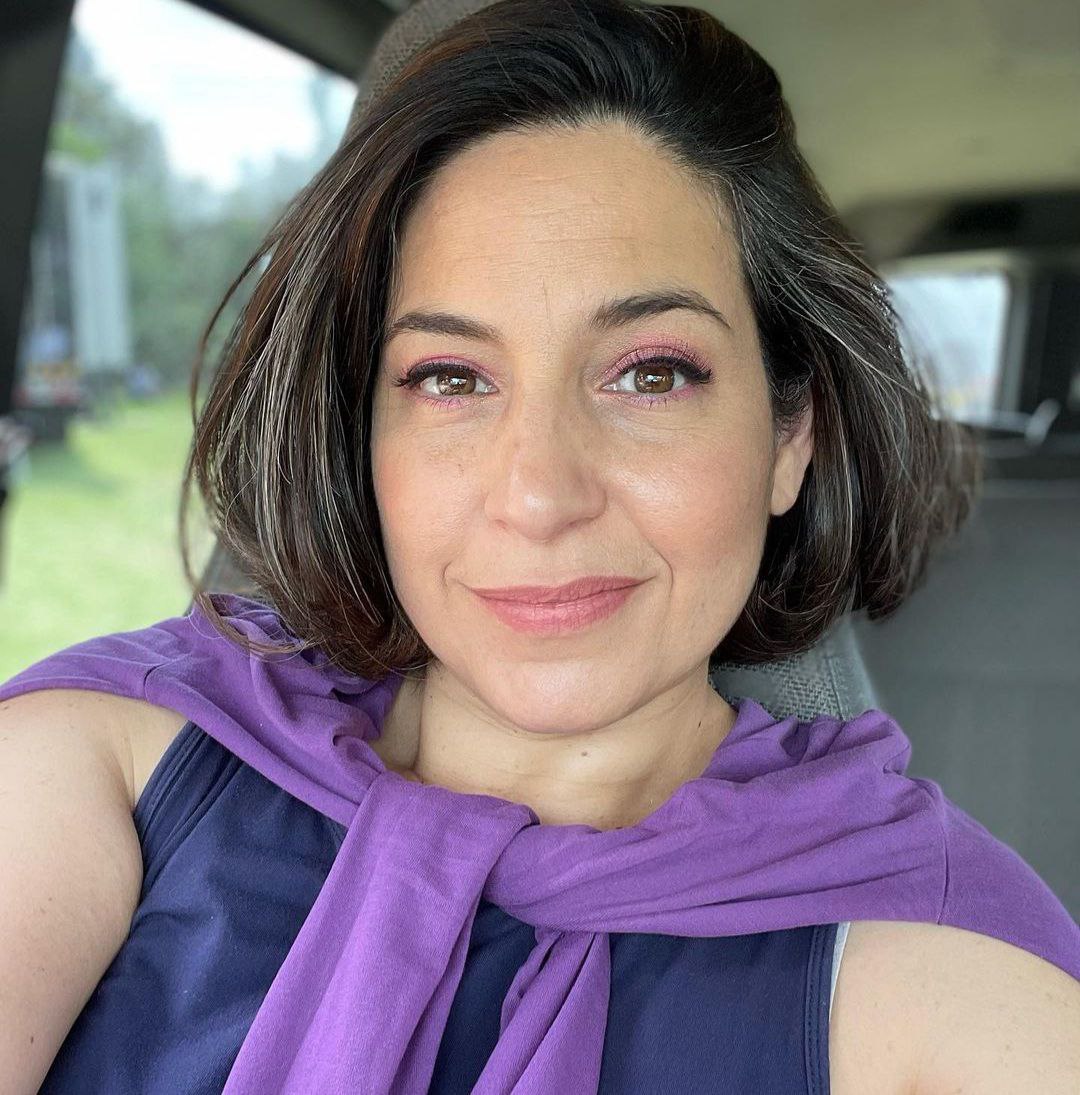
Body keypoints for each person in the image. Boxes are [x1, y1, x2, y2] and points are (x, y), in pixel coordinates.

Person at [1, 1, 1077, 1092]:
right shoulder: (109, 766)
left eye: (651, 373)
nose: (538, 495)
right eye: (450, 378)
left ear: (790, 434)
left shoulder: (951, 967)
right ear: (360, 435)